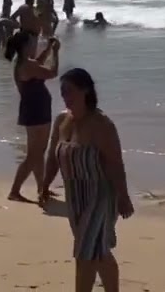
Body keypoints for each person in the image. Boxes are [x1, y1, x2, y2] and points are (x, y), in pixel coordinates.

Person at [41, 68, 132, 292]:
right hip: (74, 197)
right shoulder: (62, 120)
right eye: (62, 92)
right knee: (97, 252)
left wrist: (123, 197)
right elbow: (53, 156)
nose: (65, 96)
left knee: (84, 253)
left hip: (100, 196)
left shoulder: (102, 125)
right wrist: (44, 185)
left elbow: (115, 164)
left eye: (69, 91)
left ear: (86, 91)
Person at [6, 31, 60, 204]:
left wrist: (48, 49)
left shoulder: (24, 62)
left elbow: (38, 63)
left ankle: (41, 188)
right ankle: (14, 191)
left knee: (37, 153)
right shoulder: (26, 65)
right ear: (24, 47)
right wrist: (56, 53)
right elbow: (52, 73)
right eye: (31, 43)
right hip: (36, 110)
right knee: (34, 155)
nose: (34, 45)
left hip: (35, 108)